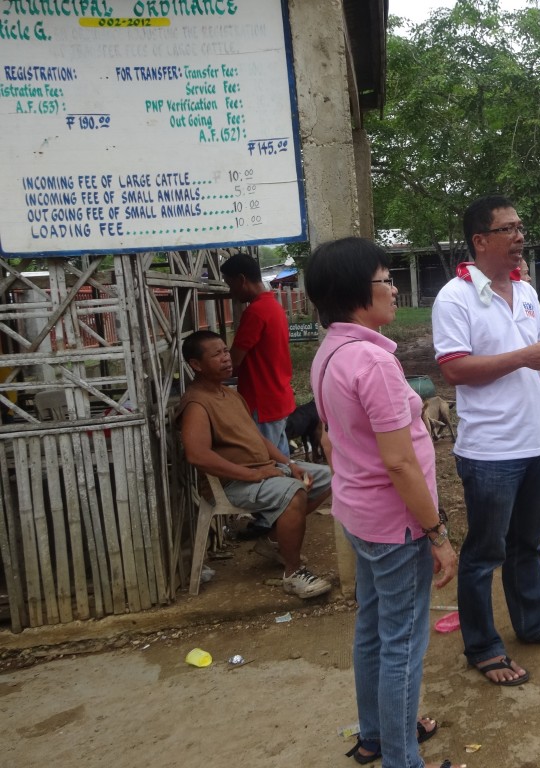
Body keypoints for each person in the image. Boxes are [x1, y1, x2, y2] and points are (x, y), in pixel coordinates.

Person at [431, 195, 540, 686]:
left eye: (520, 227)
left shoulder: (525, 292)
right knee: (484, 554)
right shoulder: (454, 298)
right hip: (489, 452)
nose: (519, 236)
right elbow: (454, 368)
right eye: (507, 228)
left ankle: (532, 624)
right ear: (480, 241)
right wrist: (525, 357)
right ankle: (483, 647)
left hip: (535, 442)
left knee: (527, 544)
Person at [306, 238, 462, 768]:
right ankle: (402, 758)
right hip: (395, 527)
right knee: (403, 643)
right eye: (385, 280)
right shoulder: (373, 364)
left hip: (360, 516)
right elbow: (399, 463)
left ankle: (377, 734)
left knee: (373, 629)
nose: (394, 289)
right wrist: (437, 535)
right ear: (356, 292)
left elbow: (331, 439)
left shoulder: (330, 351)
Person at [178, 330, 333, 599]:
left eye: (225, 351)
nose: (226, 358)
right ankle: (293, 573)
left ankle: (273, 539)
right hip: (232, 483)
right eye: (216, 355)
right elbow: (197, 455)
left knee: (329, 476)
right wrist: (253, 474)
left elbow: (259, 439)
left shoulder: (229, 394)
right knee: (294, 492)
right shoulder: (196, 403)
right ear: (195, 365)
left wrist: (290, 463)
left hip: (264, 472)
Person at [220, 252, 296, 457]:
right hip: (278, 397)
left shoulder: (255, 312)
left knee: (266, 462)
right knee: (282, 463)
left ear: (242, 280)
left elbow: (234, 361)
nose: (230, 291)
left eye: (230, 283)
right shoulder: (274, 306)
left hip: (261, 402)